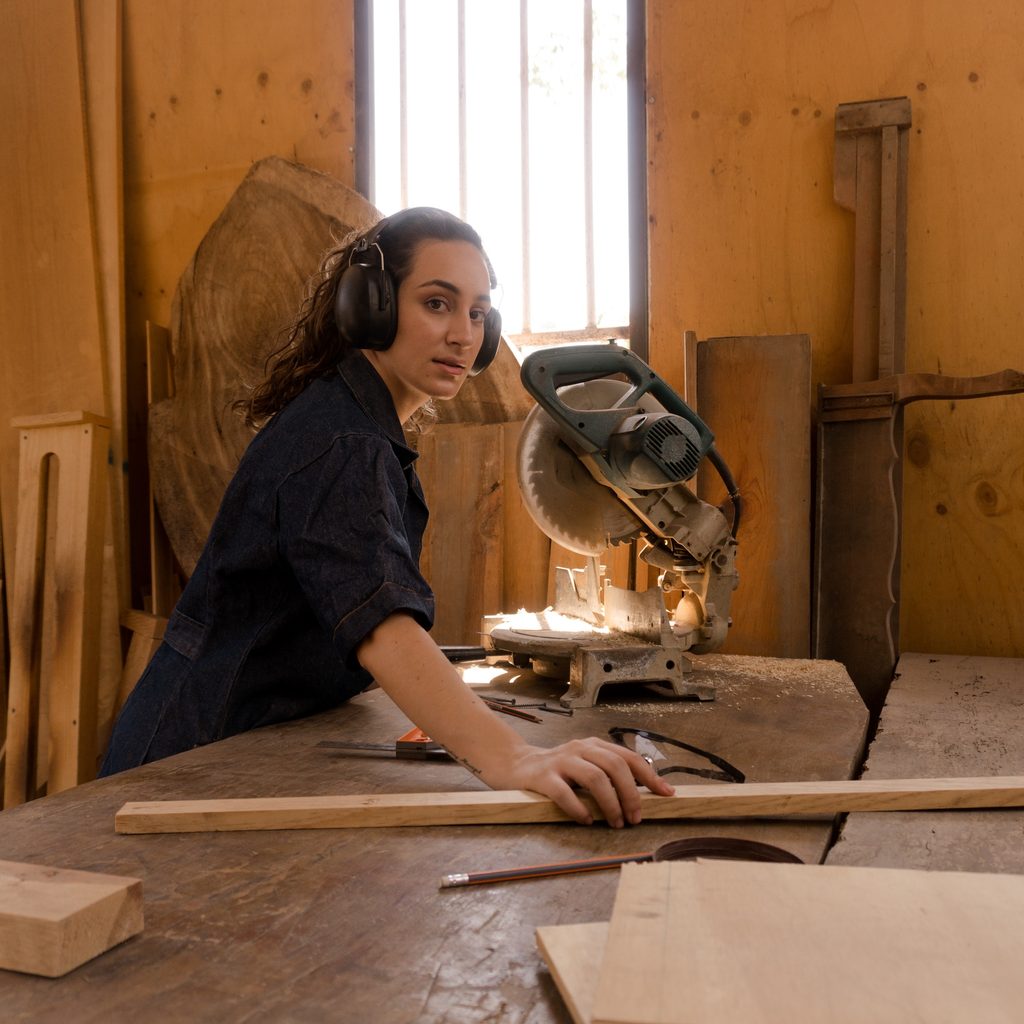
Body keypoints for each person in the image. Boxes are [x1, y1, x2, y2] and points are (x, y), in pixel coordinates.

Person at [101, 206, 673, 826]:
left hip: (244, 741)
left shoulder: (360, 426)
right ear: (370, 305)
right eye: (437, 303)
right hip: (191, 757)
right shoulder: (343, 442)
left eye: (478, 312)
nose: (464, 334)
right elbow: (380, 626)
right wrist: (513, 757)